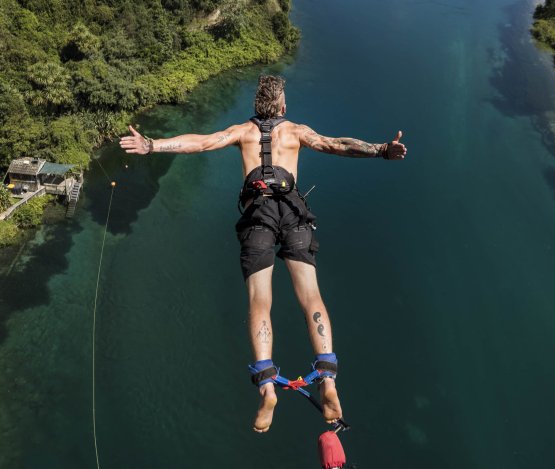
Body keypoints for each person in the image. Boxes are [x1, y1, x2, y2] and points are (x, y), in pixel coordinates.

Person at [120, 75, 407, 432]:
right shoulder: (297, 132)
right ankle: (329, 379)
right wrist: (380, 150)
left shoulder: (243, 132)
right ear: (283, 107)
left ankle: (267, 386)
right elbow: (336, 144)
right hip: (294, 213)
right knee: (311, 295)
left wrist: (151, 145)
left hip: (258, 217)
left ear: (256, 107)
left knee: (260, 300)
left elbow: (202, 143)